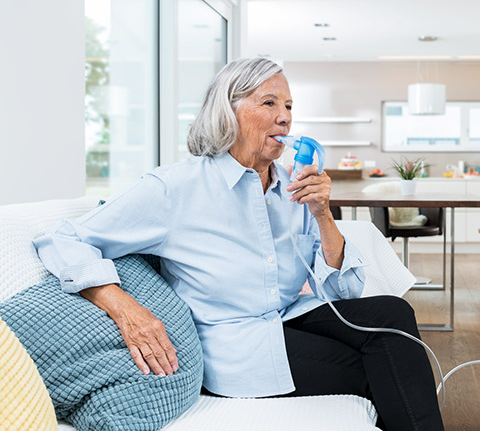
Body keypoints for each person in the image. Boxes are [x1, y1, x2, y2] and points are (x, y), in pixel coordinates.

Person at [34, 58, 444, 430]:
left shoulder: (290, 187)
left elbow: (341, 290)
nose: (284, 117)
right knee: (386, 367)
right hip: (236, 345)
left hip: (289, 314)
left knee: (392, 312)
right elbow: (63, 239)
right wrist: (122, 306)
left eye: (288, 106)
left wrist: (322, 213)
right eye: (269, 103)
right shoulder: (175, 188)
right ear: (228, 110)